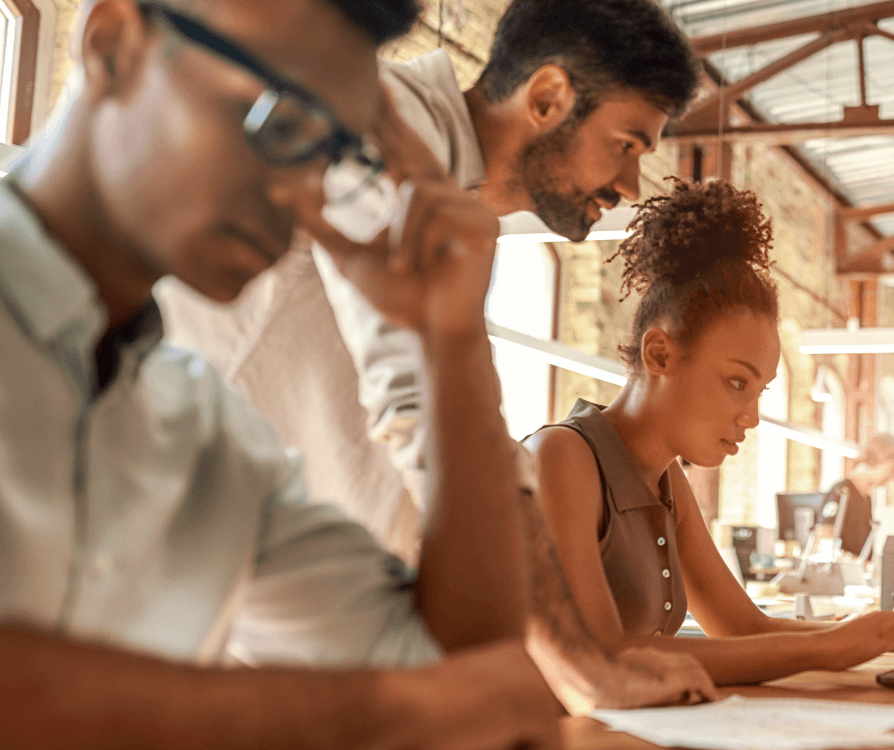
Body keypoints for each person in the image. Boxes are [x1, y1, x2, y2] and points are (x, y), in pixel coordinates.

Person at [0, 0, 562, 746]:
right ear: (111, 45)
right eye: (280, 121)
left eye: (333, 157)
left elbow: (458, 677)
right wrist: (374, 712)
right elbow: (424, 703)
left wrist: (450, 342)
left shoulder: (207, 442)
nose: (302, 201)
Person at [154, 0, 716, 709]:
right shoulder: (390, 133)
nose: (631, 186)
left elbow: (455, 422)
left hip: (266, 601)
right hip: (172, 597)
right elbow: (431, 415)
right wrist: (580, 667)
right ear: (547, 97)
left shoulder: (454, 198)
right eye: (628, 145)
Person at [520, 179, 894, 685]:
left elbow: (743, 628)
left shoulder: (669, 487)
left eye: (760, 390)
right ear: (659, 354)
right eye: (737, 382)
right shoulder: (562, 456)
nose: (752, 416)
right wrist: (832, 645)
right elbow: (604, 653)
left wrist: (878, 627)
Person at [814, 433, 894, 559]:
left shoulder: (865, 498)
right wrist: (858, 564)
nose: (892, 476)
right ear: (874, 461)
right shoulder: (842, 492)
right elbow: (824, 544)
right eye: (892, 468)